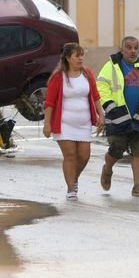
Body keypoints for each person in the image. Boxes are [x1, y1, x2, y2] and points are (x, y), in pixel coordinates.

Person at [96, 36, 139, 197]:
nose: (133, 51)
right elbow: (102, 88)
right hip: (117, 118)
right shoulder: (110, 67)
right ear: (122, 49)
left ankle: (137, 186)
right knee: (116, 151)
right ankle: (108, 168)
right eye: (129, 47)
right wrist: (112, 108)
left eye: (136, 48)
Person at [43, 43, 105, 201]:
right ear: (68, 58)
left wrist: (101, 115)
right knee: (70, 156)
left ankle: (74, 177)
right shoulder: (58, 78)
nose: (81, 58)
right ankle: (71, 189)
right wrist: (47, 123)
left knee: (84, 156)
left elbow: (96, 96)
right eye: (77, 55)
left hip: (83, 124)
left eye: (82, 55)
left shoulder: (87, 74)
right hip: (64, 124)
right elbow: (49, 103)